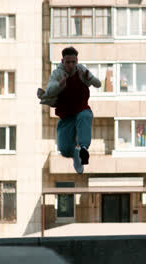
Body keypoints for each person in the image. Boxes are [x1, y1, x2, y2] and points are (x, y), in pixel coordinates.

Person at [42, 46, 101, 174]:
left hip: (81, 109)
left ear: (77, 61)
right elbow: (49, 90)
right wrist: (59, 85)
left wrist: (88, 79)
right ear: (62, 61)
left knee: (85, 116)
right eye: (68, 62)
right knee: (64, 149)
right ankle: (76, 154)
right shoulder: (57, 74)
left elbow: (98, 84)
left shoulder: (81, 70)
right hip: (66, 116)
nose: (71, 65)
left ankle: (83, 147)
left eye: (73, 62)